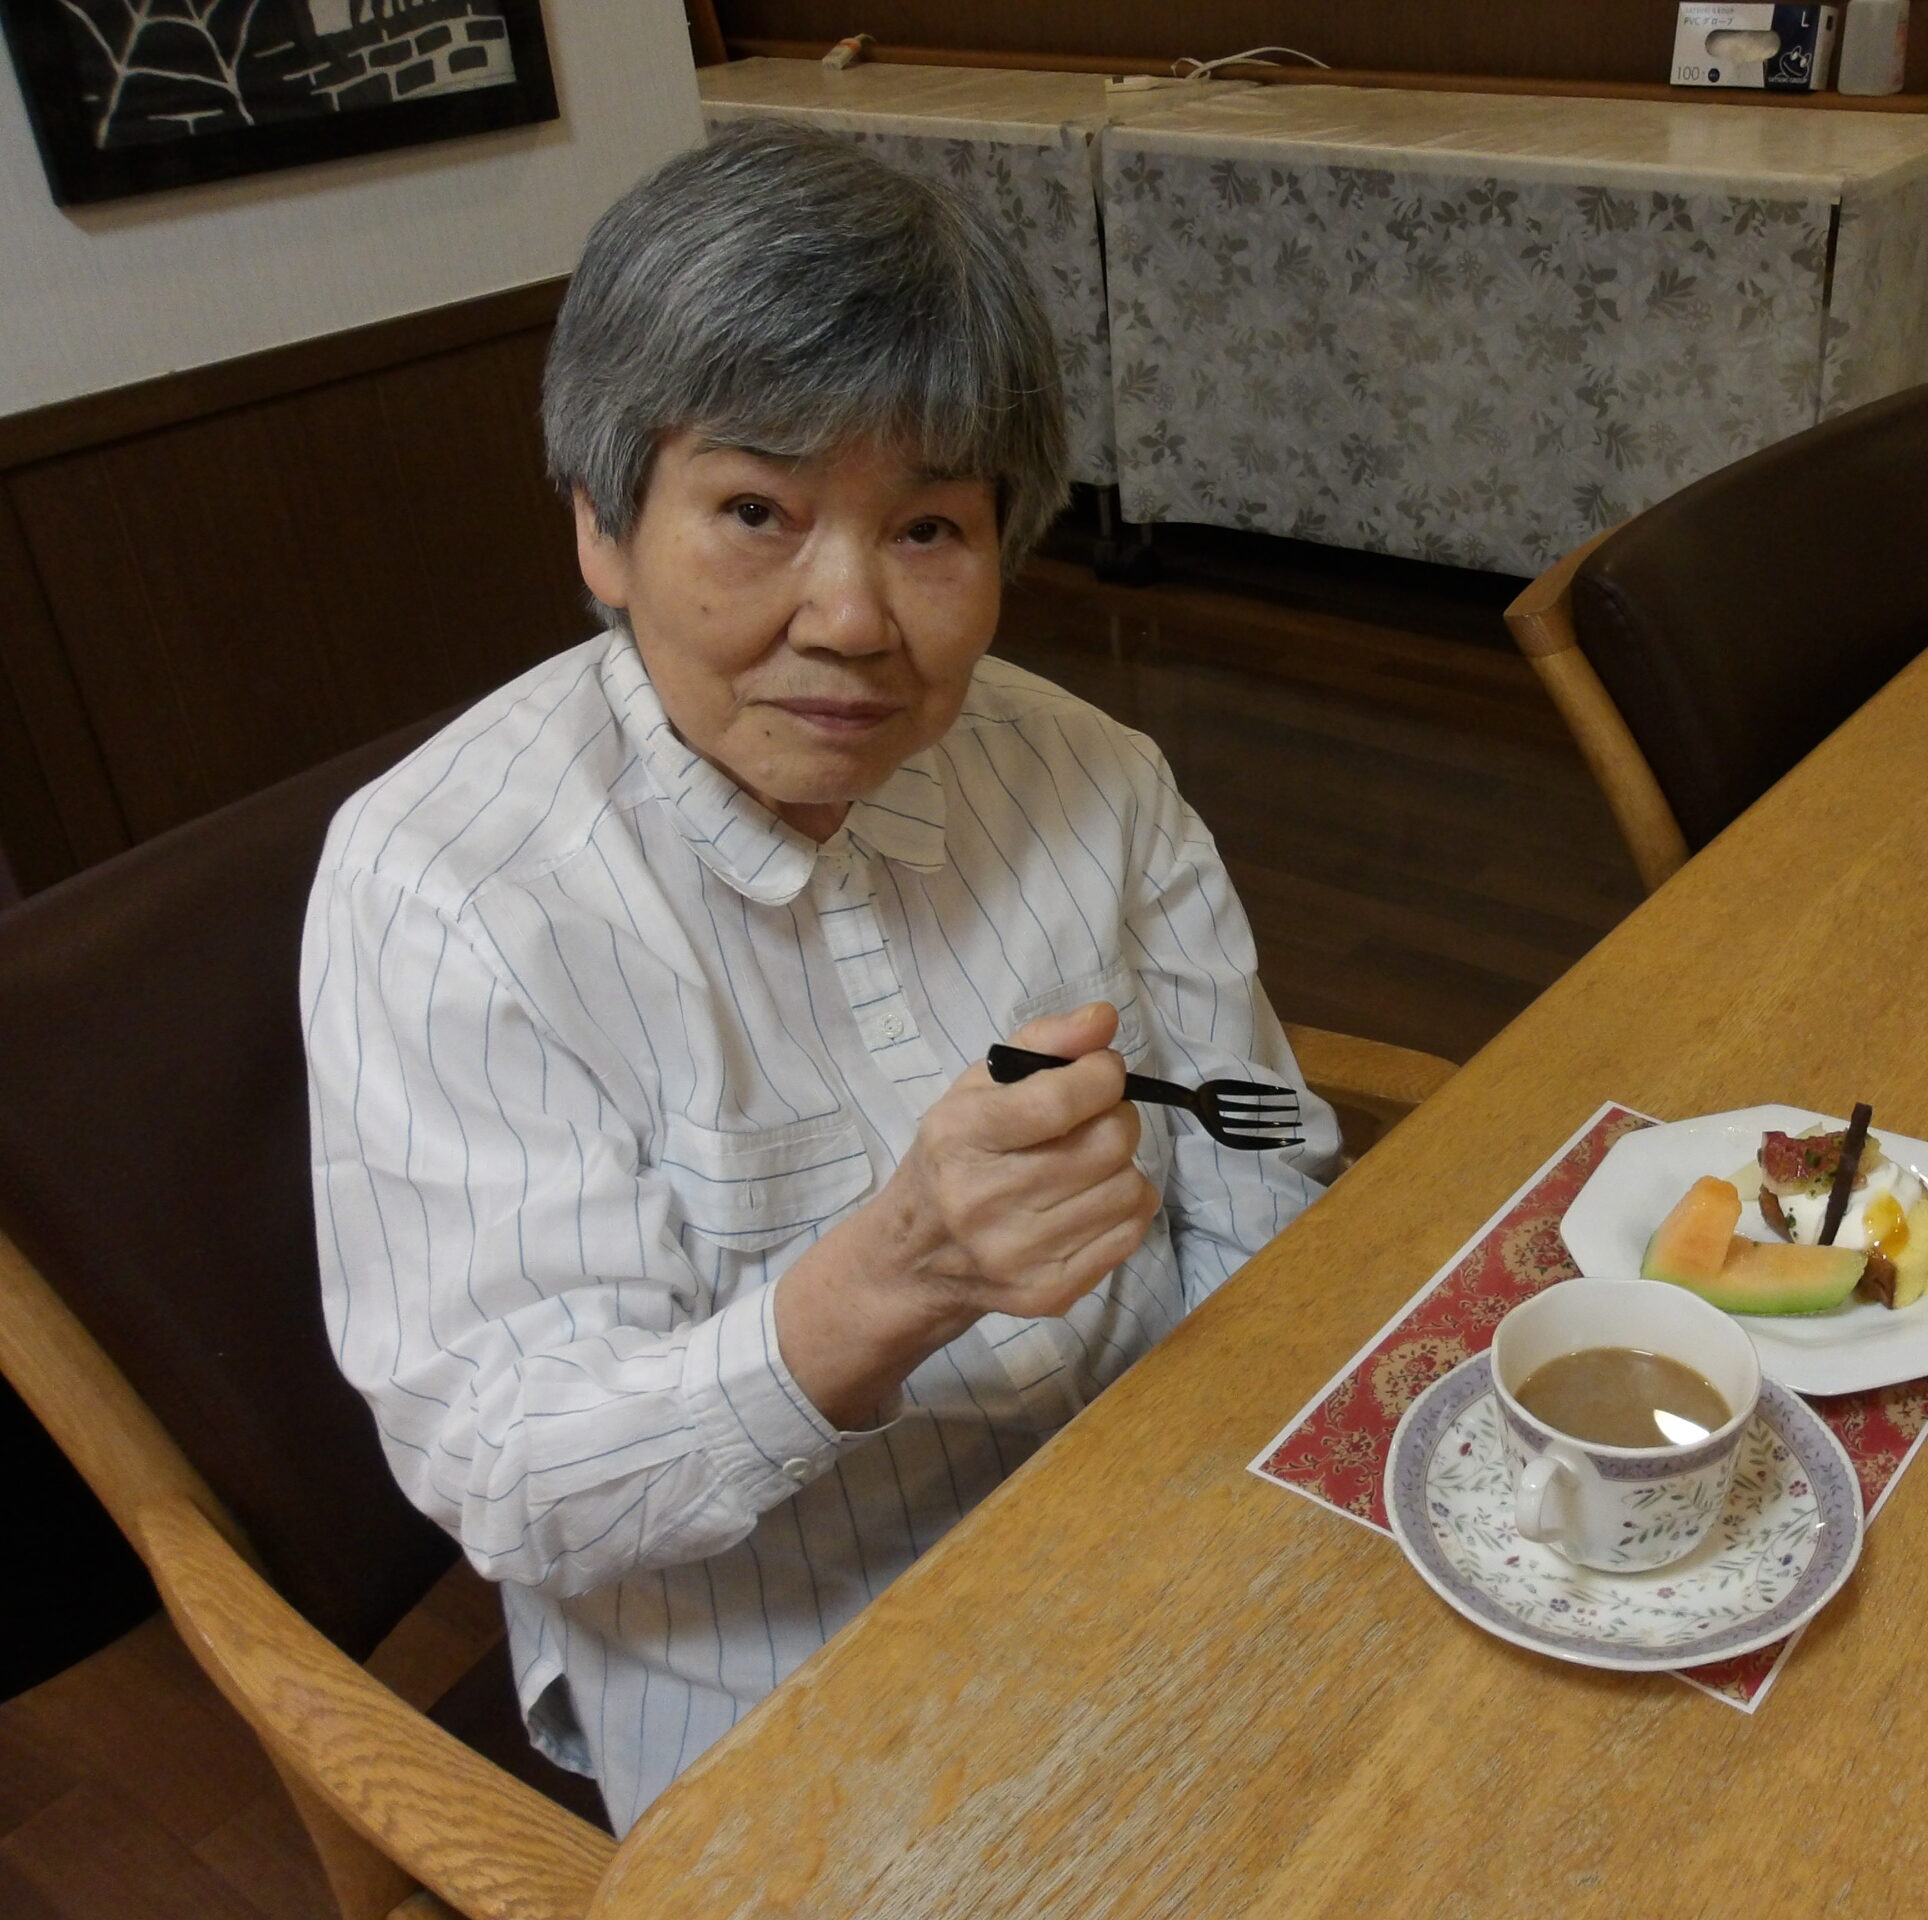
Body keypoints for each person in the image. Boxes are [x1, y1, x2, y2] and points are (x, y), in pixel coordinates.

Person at [301, 122, 1339, 1833]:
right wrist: (886, 1280)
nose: (851, 618)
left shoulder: (1094, 776)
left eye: (927, 526)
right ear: (604, 526)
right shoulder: (449, 889)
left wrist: (1252, 1515)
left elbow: (1259, 1160)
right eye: (756, 513)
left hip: (1163, 1513)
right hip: (783, 1677)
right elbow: (513, 1469)